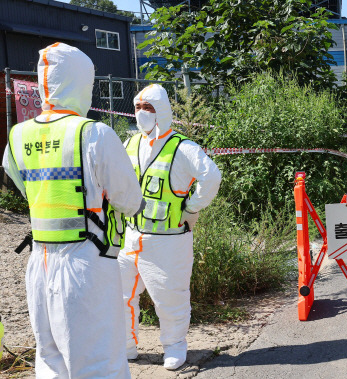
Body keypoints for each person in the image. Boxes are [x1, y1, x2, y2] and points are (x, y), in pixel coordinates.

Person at [2, 42, 143, 378]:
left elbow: (24, 186)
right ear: (80, 83)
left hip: (39, 263)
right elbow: (131, 201)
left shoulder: (17, 136)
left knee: (50, 360)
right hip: (87, 265)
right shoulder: (94, 134)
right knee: (99, 360)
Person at [119, 84, 222, 370]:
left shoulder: (182, 148)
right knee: (120, 293)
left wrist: (192, 208)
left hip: (168, 240)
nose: (142, 114)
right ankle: (126, 344)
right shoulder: (129, 143)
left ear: (162, 111)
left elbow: (211, 177)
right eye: (138, 108)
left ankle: (175, 345)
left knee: (169, 296)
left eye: (148, 108)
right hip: (130, 236)